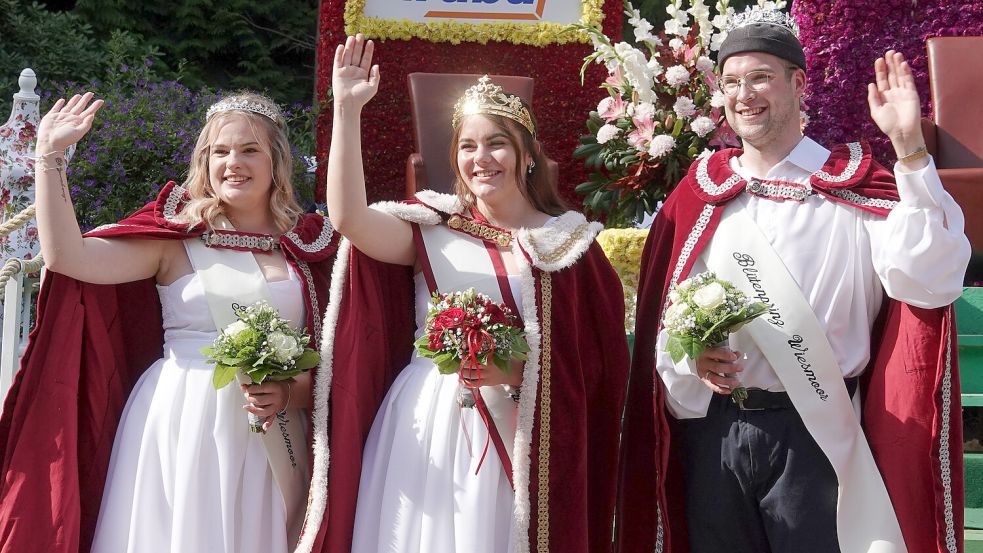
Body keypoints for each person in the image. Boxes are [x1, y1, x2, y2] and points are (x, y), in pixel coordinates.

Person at [619, 8, 970, 553]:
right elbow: (665, 312)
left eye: (759, 77)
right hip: (717, 433)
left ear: (799, 84)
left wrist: (910, 151)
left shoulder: (854, 188)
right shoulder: (701, 192)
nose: (744, 94)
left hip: (817, 433)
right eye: (731, 82)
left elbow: (930, 277)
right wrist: (690, 356)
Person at [307, 34, 630, 553]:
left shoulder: (569, 244)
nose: (482, 158)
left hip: (525, 431)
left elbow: (597, 363)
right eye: (467, 146)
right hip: (429, 419)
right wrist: (347, 110)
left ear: (527, 155)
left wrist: (522, 371)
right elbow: (347, 219)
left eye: (497, 142)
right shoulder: (431, 229)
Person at [0, 92, 340, 553]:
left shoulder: (308, 245)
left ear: (277, 161)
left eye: (249, 150)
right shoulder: (175, 239)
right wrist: (51, 156)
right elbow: (69, 257)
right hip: (185, 418)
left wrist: (288, 391)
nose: (233, 163)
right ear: (204, 161)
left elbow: (335, 356)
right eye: (220, 152)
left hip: (271, 429)